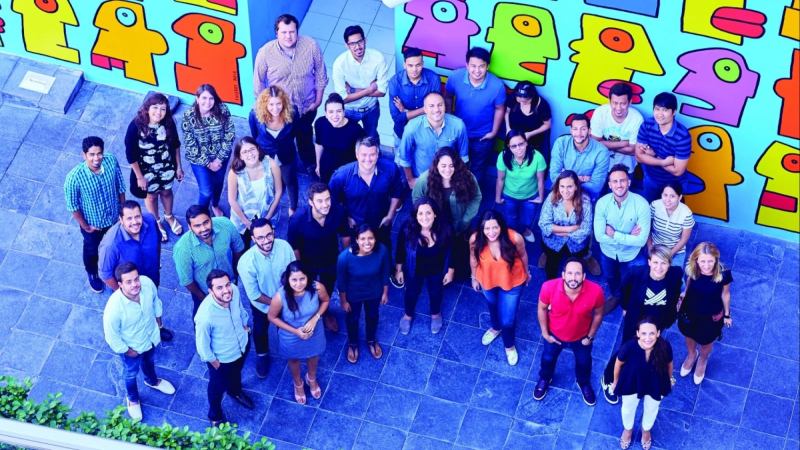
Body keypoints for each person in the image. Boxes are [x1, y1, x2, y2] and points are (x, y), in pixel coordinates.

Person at [600, 245, 682, 405]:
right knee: (625, 348)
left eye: (664, 263)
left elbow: (676, 292)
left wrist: (673, 312)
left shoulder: (675, 274)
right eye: (656, 262)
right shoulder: (636, 274)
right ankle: (608, 379)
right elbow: (623, 291)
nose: (659, 267)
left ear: (669, 264)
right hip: (636, 322)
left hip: (659, 323)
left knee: (651, 348)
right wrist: (625, 308)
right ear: (649, 262)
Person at [253, 13, 327, 175]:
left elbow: (321, 73)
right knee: (284, 141)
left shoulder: (311, 46)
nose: (288, 36)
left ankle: (309, 163)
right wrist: (268, 109)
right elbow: (258, 84)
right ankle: (285, 167)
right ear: (276, 33)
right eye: (284, 32)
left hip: (307, 106)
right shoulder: (265, 53)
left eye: (292, 32)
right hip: (281, 110)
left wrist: (318, 101)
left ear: (297, 31)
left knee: (305, 135)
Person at [103, 262, 175, 421]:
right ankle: (133, 399)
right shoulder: (114, 309)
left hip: (150, 338)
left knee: (149, 362)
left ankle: (152, 381)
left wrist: (159, 323)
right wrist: (129, 351)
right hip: (132, 347)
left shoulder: (147, 284)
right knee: (130, 374)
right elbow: (112, 337)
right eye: (128, 282)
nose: (135, 284)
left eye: (136, 279)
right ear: (120, 285)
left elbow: (156, 302)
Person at [535, 258, 604, 405]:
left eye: (577, 274)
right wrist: (545, 333)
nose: (573, 277)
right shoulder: (548, 287)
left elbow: (599, 314)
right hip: (554, 335)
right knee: (547, 359)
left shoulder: (596, 291)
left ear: (584, 276)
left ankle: (583, 383)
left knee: (584, 362)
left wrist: (590, 337)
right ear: (563, 275)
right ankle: (545, 378)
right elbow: (541, 308)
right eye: (570, 273)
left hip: (581, 337)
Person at [445, 47, 506, 212]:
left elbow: (500, 109)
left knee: (478, 168)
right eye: (473, 66)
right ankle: (455, 195)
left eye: (481, 66)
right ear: (467, 65)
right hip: (459, 134)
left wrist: (493, 132)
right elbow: (448, 96)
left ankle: (472, 197)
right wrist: (449, 120)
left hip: (483, 137)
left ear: (487, 66)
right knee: (456, 165)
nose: (477, 71)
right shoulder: (455, 77)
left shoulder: (497, 86)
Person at [64, 136, 126, 293]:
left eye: (99, 153)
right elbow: (73, 207)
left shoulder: (111, 161)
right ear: (84, 155)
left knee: (115, 246)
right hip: (93, 225)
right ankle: (92, 273)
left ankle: (115, 270)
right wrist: (86, 227)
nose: (96, 158)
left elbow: (120, 186)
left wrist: (123, 212)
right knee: (92, 251)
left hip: (114, 219)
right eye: (91, 154)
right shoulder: (74, 178)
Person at [469, 210, 530, 366]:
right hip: (487, 280)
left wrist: (527, 272)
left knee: (508, 320)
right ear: (482, 229)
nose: (491, 232)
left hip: (513, 282)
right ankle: (496, 328)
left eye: (495, 227)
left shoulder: (514, 238)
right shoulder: (475, 239)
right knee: (492, 305)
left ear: (501, 226)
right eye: (487, 228)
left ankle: (509, 346)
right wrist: (474, 277)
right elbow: (473, 258)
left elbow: (523, 255)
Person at [237, 218, 295, 378]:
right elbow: (255, 295)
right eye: (260, 237)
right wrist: (278, 303)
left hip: (286, 298)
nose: (266, 240)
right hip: (262, 304)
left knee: (285, 326)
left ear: (273, 232)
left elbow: (293, 272)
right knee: (260, 328)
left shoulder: (285, 247)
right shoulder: (246, 262)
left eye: (269, 235)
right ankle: (262, 354)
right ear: (253, 239)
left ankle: (289, 349)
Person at [194, 270, 253, 426]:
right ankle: (215, 416)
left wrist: (245, 325)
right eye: (219, 287)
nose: (226, 290)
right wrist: (214, 362)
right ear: (210, 291)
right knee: (217, 387)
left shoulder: (234, 291)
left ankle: (235, 391)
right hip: (222, 359)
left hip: (242, 345)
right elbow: (202, 345)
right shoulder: (205, 316)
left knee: (236, 373)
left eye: (227, 284)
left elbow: (240, 309)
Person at [412, 147, 481, 278]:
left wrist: (466, 219)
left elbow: (476, 197)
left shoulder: (467, 177)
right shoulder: (424, 180)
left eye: (451, 165)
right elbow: (417, 200)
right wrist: (425, 219)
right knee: (438, 249)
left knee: (458, 247)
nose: (447, 170)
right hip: (435, 223)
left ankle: (458, 270)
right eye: (443, 165)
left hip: (459, 223)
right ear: (436, 165)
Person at [329, 136, 405, 253]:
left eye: (372, 154)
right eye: (364, 155)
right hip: (355, 225)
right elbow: (332, 201)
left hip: (381, 223)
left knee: (383, 251)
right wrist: (346, 217)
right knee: (356, 253)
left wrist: (390, 215)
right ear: (357, 154)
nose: (368, 159)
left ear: (378, 154)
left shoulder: (391, 169)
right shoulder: (341, 176)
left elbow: (397, 192)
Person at [288, 183, 347, 332]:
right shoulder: (297, 220)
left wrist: (346, 258)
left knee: (328, 287)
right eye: (320, 201)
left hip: (331, 259)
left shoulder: (338, 212)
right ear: (310, 202)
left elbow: (345, 235)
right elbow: (294, 248)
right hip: (308, 263)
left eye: (327, 199)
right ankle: (310, 314)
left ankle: (325, 313)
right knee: (308, 290)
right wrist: (299, 269)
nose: (325, 204)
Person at [267, 261, 329, 404]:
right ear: (288, 279)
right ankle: (298, 384)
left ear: (308, 277)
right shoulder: (280, 296)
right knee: (294, 359)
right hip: (291, 335)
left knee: (313, 355)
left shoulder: (317, 288)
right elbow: (272, 317)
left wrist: (315, 318)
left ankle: (311, 378)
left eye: (302, 279)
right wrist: (296, 331)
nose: (298, 283)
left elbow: (326, 301)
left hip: (314, 331)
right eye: (294, 280)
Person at [125, 92, 184, 242]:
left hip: (166, 166)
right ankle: (156, 221)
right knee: (151, 196)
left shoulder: (168, 123)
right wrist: (139, 177)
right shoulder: (135, 126)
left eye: (163, 109)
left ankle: (169, 216)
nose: (159, 112)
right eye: (155, 107)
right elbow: (131, 155)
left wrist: (178, 167)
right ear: (147, 108)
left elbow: (176, 145)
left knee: (167, 192)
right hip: (146, 170)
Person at [610, 317, 674, 450]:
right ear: (638, 333)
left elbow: (669, 364)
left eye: (652, 333)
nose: (648, 338)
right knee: (628, 408)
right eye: (644, 333)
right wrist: (615, 382)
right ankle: (628, 430)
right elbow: (618, 364)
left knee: (652, 408)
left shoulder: (665, 347)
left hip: (655, 383)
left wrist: (668, 380)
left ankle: (646, 430)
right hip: (632, 382)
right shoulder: (628, 347)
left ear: (658, 333)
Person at [594, 164, 651, 310]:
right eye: (615, 181)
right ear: (610, 185)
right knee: (611, 277)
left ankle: (629, 302)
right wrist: (628, 236)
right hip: (608, 253)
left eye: (622, 180)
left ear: (629, 182)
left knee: (632, 280)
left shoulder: (642, 204)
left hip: (631, 254)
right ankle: (616, 296)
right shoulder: (602, 203)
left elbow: (641, 240)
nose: (619, 185)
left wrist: (614, 234)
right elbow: (599, 236)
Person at [395, 198, 455, 335]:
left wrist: (450, 270)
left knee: (435, 292)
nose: (424, 217)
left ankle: (435, 314)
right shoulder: (407, 228)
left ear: (435, 214)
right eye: (420, 213)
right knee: (411, 292)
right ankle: (408, 315)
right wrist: (398, 269)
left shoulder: (445, 229)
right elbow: (400, 249)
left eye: (428, 213)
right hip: (414, 269)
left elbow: (452, 250)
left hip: (436, 269)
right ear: (415, 215)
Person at [173, 205, 245, 316]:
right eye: (197, 226)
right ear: (190, 227)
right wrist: (204, 299)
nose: (203, 229)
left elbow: (238, 248)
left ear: (211, 218)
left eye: (206, 222)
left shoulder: (225, 224)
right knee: (203, 316)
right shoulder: (182, 249)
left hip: (229, 282)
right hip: (204, 292)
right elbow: (187, 281)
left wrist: (235, 272)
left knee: (234, 308)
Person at [677, 242, 733, 385]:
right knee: (688, 334)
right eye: (702, 261)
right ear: (696, 260)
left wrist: (727, 315)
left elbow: (725, 294)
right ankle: (691, 354)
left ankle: (702, 359)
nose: (706, 265)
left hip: (711, 316)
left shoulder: (724, 274)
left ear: (716, 259)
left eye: (710, 261)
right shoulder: (691, 269)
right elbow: (689, 283)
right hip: (689, 311)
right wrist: (684, 294)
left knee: (706, 341)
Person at [337, 224, 390, 363]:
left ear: (375, 238)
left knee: (372, 316)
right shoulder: (344, 258)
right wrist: (343, 301)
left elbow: (385, 273)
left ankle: (371, 339)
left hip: (374, 292)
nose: (367, 242)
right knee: (352, 319)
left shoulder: (382, 251)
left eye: (371, 238)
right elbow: (341, 283)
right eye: (363, 239)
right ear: (356, 240)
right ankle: (353, 343)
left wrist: (385, 292)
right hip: (353, 295)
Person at [182, 84, 236, 216]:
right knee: (206, 191)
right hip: (199, 159)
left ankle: (215, 205)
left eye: (211, 98)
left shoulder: (222, 109)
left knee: (218, 185)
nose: (208, 102)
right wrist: (208, 163)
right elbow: (190, 144)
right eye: (204, 98)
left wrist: (219, 160)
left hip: (220, 157)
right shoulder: (189, 116)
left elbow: (230, 134)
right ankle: (201, 215)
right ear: (197, 98)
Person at [396, 92, 469, 188]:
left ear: (445, 106)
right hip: (422, 178)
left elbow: (463, 157)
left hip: (447, 179)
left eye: (440, 105)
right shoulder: (412, 127)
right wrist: (410, 180)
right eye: (431, 106)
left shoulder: (458, 125)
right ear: (425, 109)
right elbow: (404, 157)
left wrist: (458, 180)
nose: (436, 110)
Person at [332, 25, 390, 140]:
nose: (358, 47)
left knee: (371, 138)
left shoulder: (378, 58)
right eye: (352, 44)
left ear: (365, 40)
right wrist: (369, 89)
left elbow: (382, 92)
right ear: (346, 45)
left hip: (371, 108)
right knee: (347, 140)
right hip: (349, 110)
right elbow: (343, 98)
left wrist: (353, 90)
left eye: (360, 42)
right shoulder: (339, 64)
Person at [249, 85, 299, 215]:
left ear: (284, 102)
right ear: (265, 104)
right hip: (266, 153)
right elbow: (255, 135)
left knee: (290, 181)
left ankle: (293, 208)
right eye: (271, 104)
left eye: (278, 104)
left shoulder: (293, 112)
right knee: (269, 180)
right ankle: (269, 203)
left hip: (286, 153)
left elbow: (294, 133)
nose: (275, 108)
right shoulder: (255, 115)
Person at [227, 136, 282, 249]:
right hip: (244, 217)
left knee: (267, 244)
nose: (250, 154)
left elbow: (278, 191)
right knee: (243, 246)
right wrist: (246, 222)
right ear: (240, 156)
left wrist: (268, 216)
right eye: (245, 152)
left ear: (258, 149)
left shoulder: (271, 164)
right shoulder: (235, 172)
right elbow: (232, 200)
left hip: (267, 213)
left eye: (252, 149)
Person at [635, 92, 692, 202]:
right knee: (648, 209)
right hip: (651, 179)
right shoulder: (647, 125)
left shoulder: (683, 135)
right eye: (657, 109)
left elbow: (678, 171)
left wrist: (653, 156)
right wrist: (664, 162)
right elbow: (639, 157)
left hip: (674, 183)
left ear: (674, 112)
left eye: (665, 110)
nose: (660, 114)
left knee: (672, 211)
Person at [538, 170, 593, 280]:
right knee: (551, 268)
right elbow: (543, 224)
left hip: (576, 245)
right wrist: (570, 229)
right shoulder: (552, 197)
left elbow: (586, 230)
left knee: (574, 270)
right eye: (562, 186)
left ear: (576, 187)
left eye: (569, 187)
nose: (565, 191)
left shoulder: (585, 202)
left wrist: (557, 231)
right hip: (552, 243)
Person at [495, 130, 546, 242]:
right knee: (510, 219)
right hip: (509, 195)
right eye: (514, 146)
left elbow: (540, 180)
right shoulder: (503, 156)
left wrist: (541, 197)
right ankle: (512, 234)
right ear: (508, 147)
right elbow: (500, 179)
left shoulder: (538, 157)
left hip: (530, 196)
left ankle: (525, 231)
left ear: (526, 143)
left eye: (521, 144)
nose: (518, 149)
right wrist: (497, 197)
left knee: (527, 219)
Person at [550, 113, 609, 201]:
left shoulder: (601, 151)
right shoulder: (561, 143)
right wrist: (580, 179)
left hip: (586, 197)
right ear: (571, 130)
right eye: (575, 129)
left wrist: (565, 178)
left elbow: (596, 186)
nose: (578, 133)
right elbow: (554, 176)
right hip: (562, 194)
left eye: (583, 129)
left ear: (589, 131)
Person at [387, 47, 442, 142]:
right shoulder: (394, 82)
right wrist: (425, 109)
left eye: (418, 65)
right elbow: (397, 118)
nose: (414, 69)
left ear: (423, 64)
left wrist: (405, 111)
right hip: (403, 133)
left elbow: (435, 112)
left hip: (427, 133)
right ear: (404, 65)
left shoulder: (433, 79)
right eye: (410, 65)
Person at [590, 82, 643, 179]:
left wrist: (606, 144)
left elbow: (633, 150)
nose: (618, 108)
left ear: (630, 102)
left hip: (627, 167)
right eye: (615, 103)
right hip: (602, 164)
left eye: (623, 104)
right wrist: (624, 143)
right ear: (609, 101)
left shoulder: (637, 119)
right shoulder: (600, 112)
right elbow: (595, 142)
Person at [313, 93, 364, 183]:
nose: (335, 115)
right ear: (326, 113)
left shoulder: (355, 129)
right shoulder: (320, 123)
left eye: (339, 111)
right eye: (331, 112)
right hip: (326, 168)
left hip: (346, 172)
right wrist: (318, 164)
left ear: (344, 112)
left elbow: (362, 153)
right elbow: (319, 144)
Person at [648, 182, 695, 269]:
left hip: (675, 250)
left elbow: (684, 239)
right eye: (665, 195)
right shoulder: (655, 205)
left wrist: (669, 255)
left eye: (672, 196)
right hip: (655, 247)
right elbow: (647, 229)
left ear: (679, 197)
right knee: (650, 273)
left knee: (675, 275)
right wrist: (650, 248)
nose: (668, 200)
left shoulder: (686, 213)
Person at [504, 81, 552, 163]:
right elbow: (507, 112)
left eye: (526, 100)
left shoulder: (542, 105)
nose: (522, 102)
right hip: (515, 136)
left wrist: (530, 134)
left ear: (532, 97)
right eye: (519, 99)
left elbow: (547, 125)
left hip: (535, 140)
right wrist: (508, 129)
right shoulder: (513, 98)